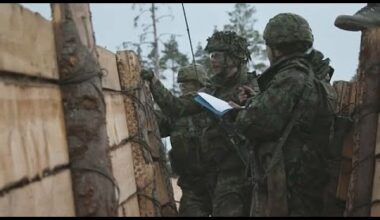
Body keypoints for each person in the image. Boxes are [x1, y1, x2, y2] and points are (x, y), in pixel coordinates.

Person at [141, 30, 259, 216]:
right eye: (211, 55)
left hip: (239, 172)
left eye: (217, 55)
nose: (212, 59)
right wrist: (154, 82)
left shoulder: (253, 87)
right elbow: (178, 108)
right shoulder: (211, 90)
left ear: (233, 58)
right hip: (208, 175)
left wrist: (245, 107)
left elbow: (264, 123)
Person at [234, 13, 337, 216]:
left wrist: (238, 113)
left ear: (276, 49)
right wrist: (254, 99)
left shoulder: (291, 76)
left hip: (289, 186)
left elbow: (255, 122)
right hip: (307, 180)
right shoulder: (311, 75)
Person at [154, 64, 213, 216]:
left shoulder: (212, 105)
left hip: (218, 180)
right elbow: (158, 126)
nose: (184, 88)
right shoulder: (175, 113)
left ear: (200, 85)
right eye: (182, 85)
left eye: (189, 84)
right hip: (192, 185)